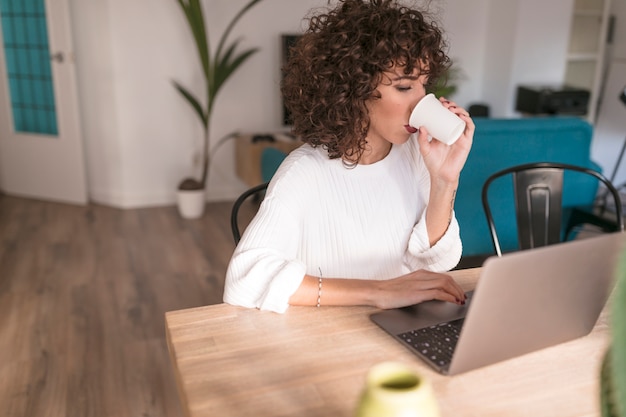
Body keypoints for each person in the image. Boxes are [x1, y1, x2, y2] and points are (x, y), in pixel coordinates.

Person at [223, 0, 474, 313]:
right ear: (355, 88)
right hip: (330, 340)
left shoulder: (416, 156)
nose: (421, 102)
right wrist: (378, 292)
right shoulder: (304, 172)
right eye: (405, 86)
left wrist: (445, 180)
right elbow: (244, 280)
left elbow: (436, 263)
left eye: (423, 85)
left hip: (402, 327)